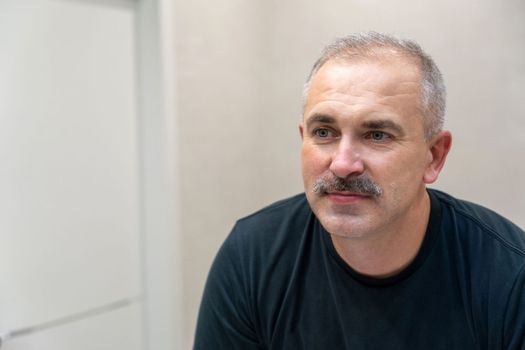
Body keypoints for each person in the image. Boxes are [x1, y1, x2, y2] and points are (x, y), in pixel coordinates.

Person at [193, 32, 525, 349]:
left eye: (377, 135)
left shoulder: (509, 276)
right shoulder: (253, 255)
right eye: (324, 132)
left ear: (433, 156)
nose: (342, 164)